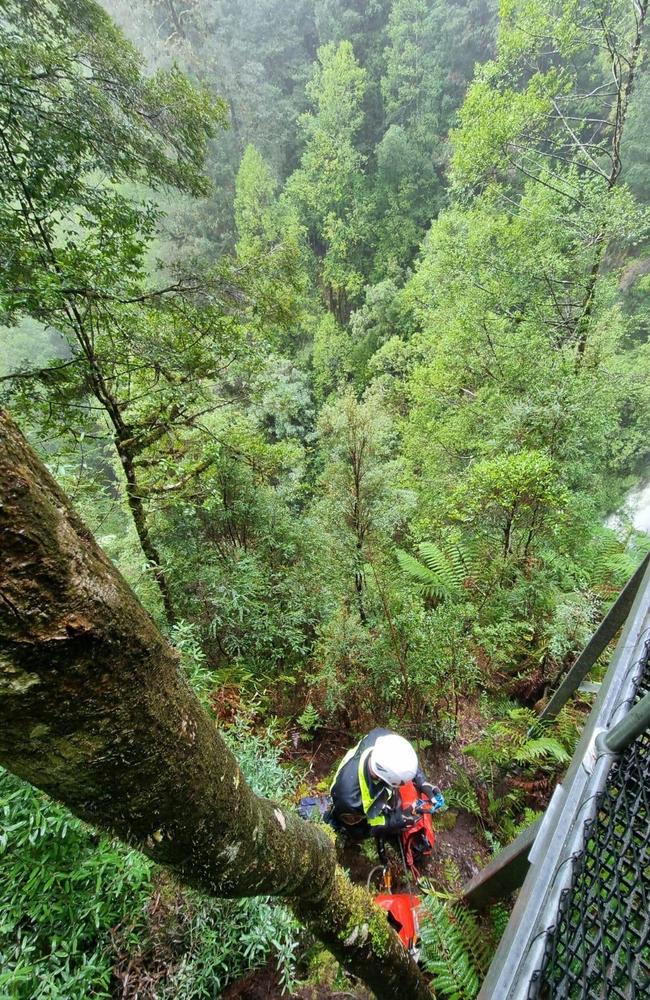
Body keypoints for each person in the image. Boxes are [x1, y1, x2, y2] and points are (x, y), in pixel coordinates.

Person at [326, 728, 438, 841]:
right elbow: (360, 831)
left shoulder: (381, 738)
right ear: (388, 779)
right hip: (350, 809)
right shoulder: (349, 800)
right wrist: (393, 821)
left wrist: (421, 781)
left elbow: (401, 758)